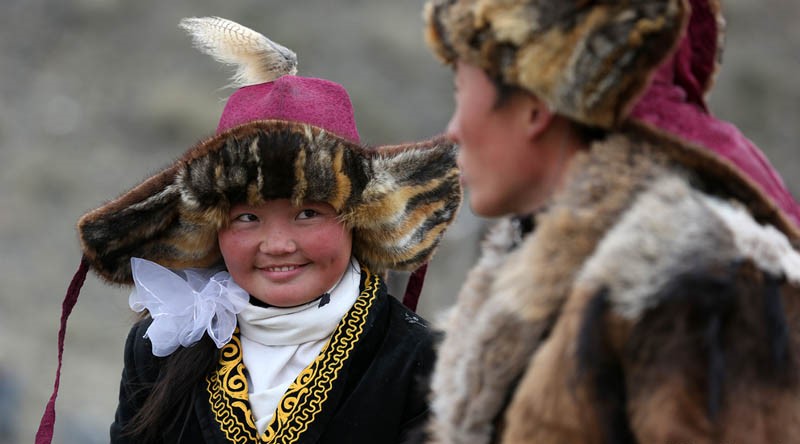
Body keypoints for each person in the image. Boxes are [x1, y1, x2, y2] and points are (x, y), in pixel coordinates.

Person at [35, 16, 461, 444]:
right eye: (247, 218)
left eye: (307, 213)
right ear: (211, 229)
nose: (277, 245)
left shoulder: (423, 363)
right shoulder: (159, 348)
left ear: (358, 218)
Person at [421, 0, 800, 443]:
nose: (452, 130)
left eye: (459, 90)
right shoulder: (534, 269)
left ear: (535, 104)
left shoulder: (703, 289)